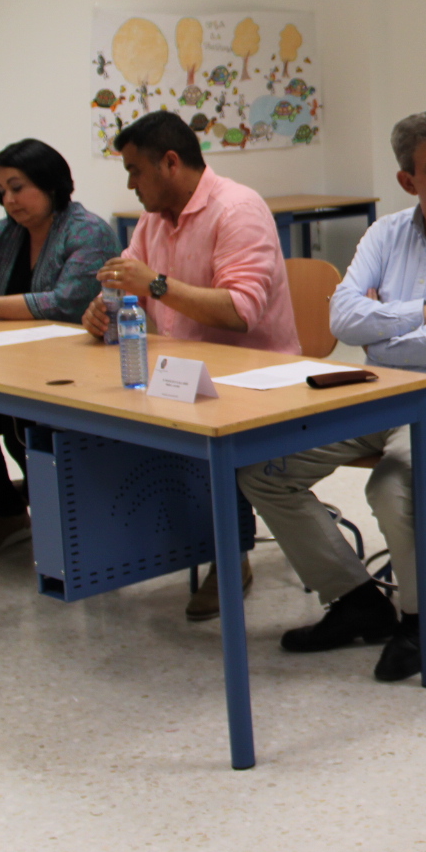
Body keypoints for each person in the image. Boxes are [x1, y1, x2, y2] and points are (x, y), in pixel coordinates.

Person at [238, 110, 426, 683]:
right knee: (263, 470)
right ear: (407, 180)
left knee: (394, 482)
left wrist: (383, 334)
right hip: (381, 392)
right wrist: (422, 314)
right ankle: (356, 601)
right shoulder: (385, 234)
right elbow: (343, 318)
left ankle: (419, 624)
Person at [84, 110, 300, 619]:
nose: (131, 184)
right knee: (101, 421)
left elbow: (240, 311)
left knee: (195, 431)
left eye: (135, 171)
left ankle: (229, 556)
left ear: (170, 163)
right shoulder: (153, 221)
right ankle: (130, 548)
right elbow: (127, 286)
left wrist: (155, 285)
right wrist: (104, 310)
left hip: (254, 380)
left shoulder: (237, 210)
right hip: (184, 373)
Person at [0, 139, 117, 560]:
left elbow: (66, 303)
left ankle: (63, 518)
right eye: (2, 191)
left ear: (50, 183)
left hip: (71, 373)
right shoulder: (6, 232)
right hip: (8, 367)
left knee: (23, 422)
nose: (9, 200)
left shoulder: (87, 231)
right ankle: (8, 511)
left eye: (17, 188)